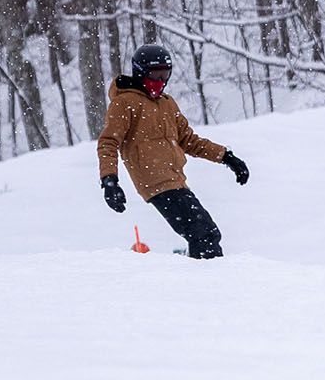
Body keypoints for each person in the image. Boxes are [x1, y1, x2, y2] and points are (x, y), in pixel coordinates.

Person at [96, 43, 247, 258]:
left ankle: (203, 276)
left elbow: (189, 140)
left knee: (206, 233)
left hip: (175, 179)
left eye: (165, 74)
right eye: (155, 74)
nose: (160, 81)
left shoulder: (167, 104)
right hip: (155, 181)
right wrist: (109, 180)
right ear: (140, 72)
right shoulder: (124, 103)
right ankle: (209, 279)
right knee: (203, 233)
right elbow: (108, 143)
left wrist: (227, 157)